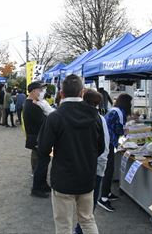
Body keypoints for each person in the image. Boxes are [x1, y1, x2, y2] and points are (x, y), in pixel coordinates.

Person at [37, 75, 105, 234]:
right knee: (87, 220)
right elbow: (100, 147)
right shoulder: (94, 115)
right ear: (82, 93)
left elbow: (43, 148)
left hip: (63, 178)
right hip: (87, 176)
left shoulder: (55, 116)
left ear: (61, 93)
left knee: (63, 225)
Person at [74, 89, 110, 234]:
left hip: (78, 165)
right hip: (94, 165)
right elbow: (104, 146)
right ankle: (80, 228)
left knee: (78, 201)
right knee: (89, 201)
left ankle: (79, 228)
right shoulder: (99, 118)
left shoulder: (75, 116)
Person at [98, 93, 133, 212]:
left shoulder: (114, 109)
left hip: (105, 141)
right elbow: (119, 129)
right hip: (109, 142)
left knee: (108, 168)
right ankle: (103, 198)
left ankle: (107, 193)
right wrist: (126, 131)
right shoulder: (120, 112)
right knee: (108, 170)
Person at [23, 81, 50, 198]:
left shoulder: (32, 103)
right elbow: (44, 121)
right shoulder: (32, 105)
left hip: (37, 138)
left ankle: (43, 184)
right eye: (40, 90)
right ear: (34, 91)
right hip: (38, 139)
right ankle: (37, 188)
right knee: (41, 164)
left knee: (44, 162)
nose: (41, 92)